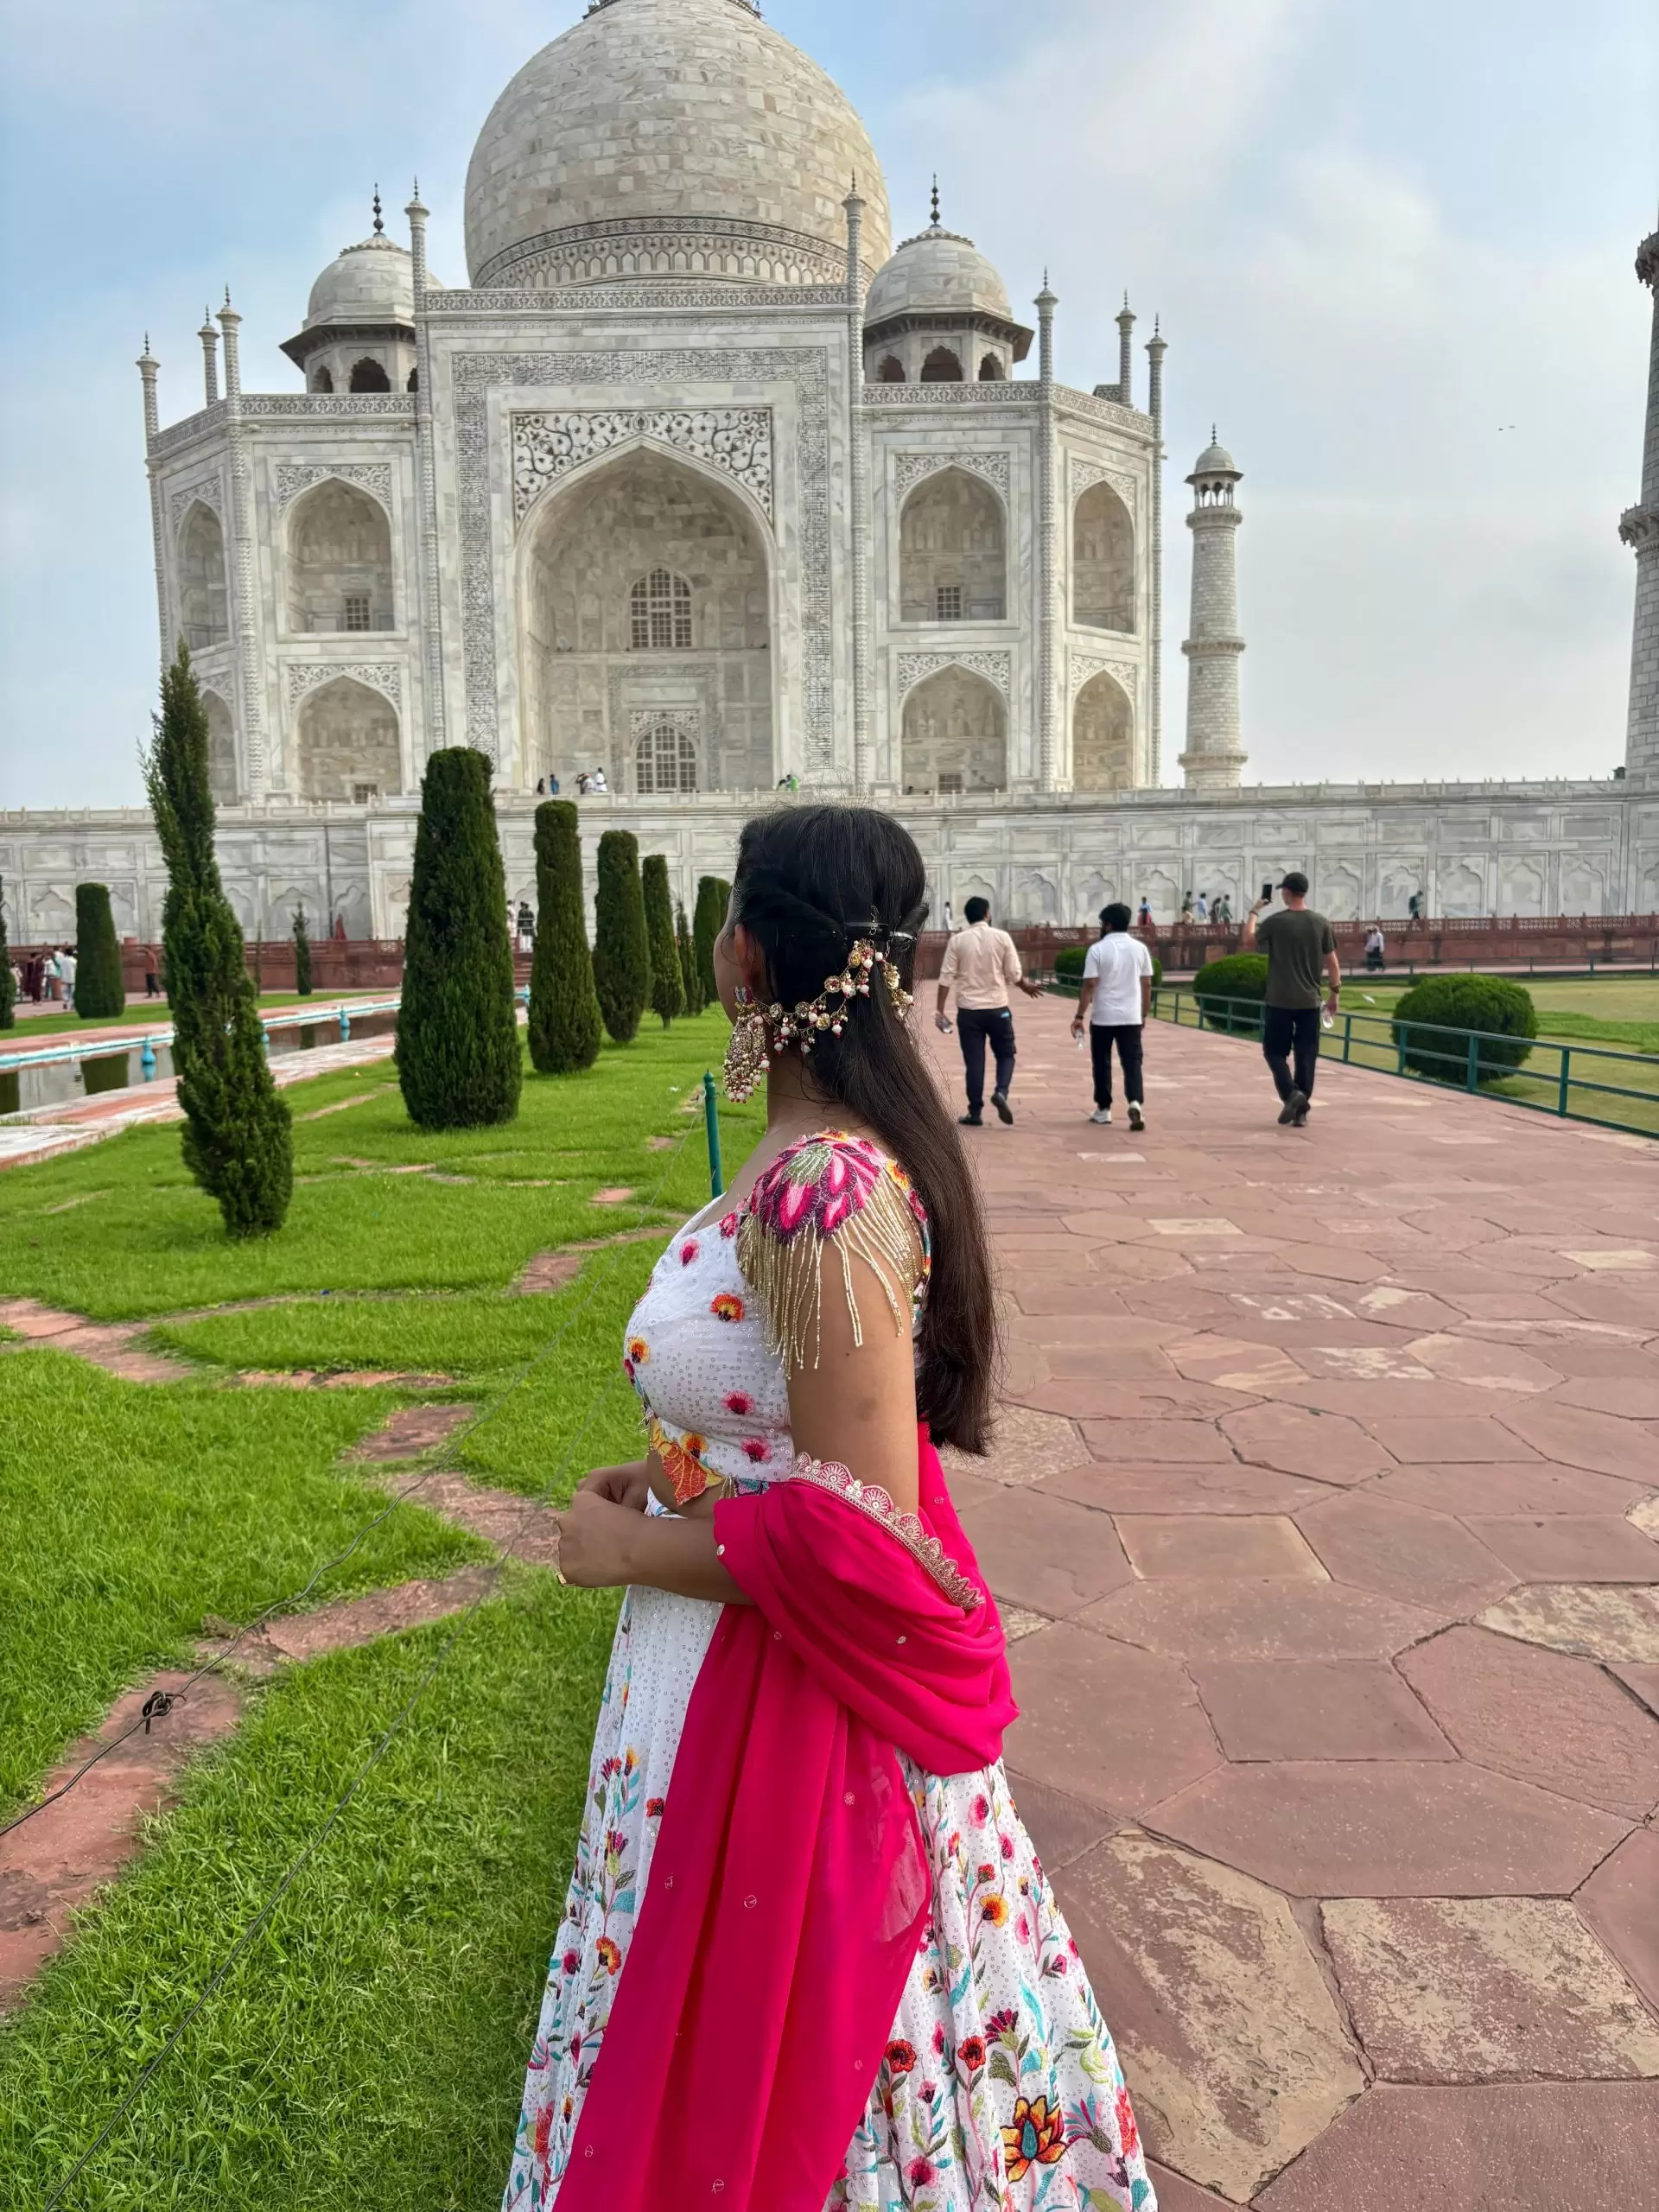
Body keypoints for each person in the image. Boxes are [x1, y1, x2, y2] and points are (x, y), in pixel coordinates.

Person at [503, 804, 1153, 2209]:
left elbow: (854, 1526)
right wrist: (676, 1469)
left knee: (823, 2036)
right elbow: (781, 1429)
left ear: (743, 957)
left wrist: (638, 1549)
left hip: (788, 1691)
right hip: (730, 1657)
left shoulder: (821, 1188)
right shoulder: (821, 1159)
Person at [933, 894, 1043, 1127]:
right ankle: (1001, 1092)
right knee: (1006, 1054)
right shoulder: (1002, 937)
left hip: (969, 1011)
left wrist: (940, 1011)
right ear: (987, 914)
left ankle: (975, 1112)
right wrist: (1025, 988)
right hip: (997, 1008)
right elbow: (1013, 973)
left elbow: (946, 978)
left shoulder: (958, 941)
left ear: (968, 916)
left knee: (975, 1062)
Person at [1243, 872, 1340, 1127]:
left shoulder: (1276, 922)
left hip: (1279, 1001)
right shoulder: (1320, 923)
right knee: (1306, 1055)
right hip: (1309, 1001)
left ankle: (1291, 1094)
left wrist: (1254, 911)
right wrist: (1334, 993)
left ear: (1286, 891)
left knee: (1274, 1052)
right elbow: (1332, 961)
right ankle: (1301, 1110)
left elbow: (1248, 940)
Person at [1071, 901, 1153, 1128]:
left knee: (1102, 1063)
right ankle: (1136, 1102)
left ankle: (1104, 1109)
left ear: (1107, 925)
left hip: (1103, 1016)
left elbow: (1089, 985)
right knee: (1133, 1062)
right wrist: (1143, 1013)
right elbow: (1147, 984)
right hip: (1130, 1016)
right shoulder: (1140, 949)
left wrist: (1079, 1016)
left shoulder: (1097, 950)